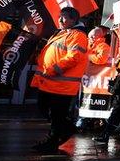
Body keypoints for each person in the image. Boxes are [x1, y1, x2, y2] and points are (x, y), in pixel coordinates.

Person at [30, 8, 89, 152]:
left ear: (73, 20)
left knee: (56, 115)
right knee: (45, 109)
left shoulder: (78, 35)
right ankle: (67, 128)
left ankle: (52, 142)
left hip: (62, 85)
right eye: (60, 17)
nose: (60, 20)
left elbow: (74, 57)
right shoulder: (64, 33)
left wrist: (53, 69)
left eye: (64, 18)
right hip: (50, 83)